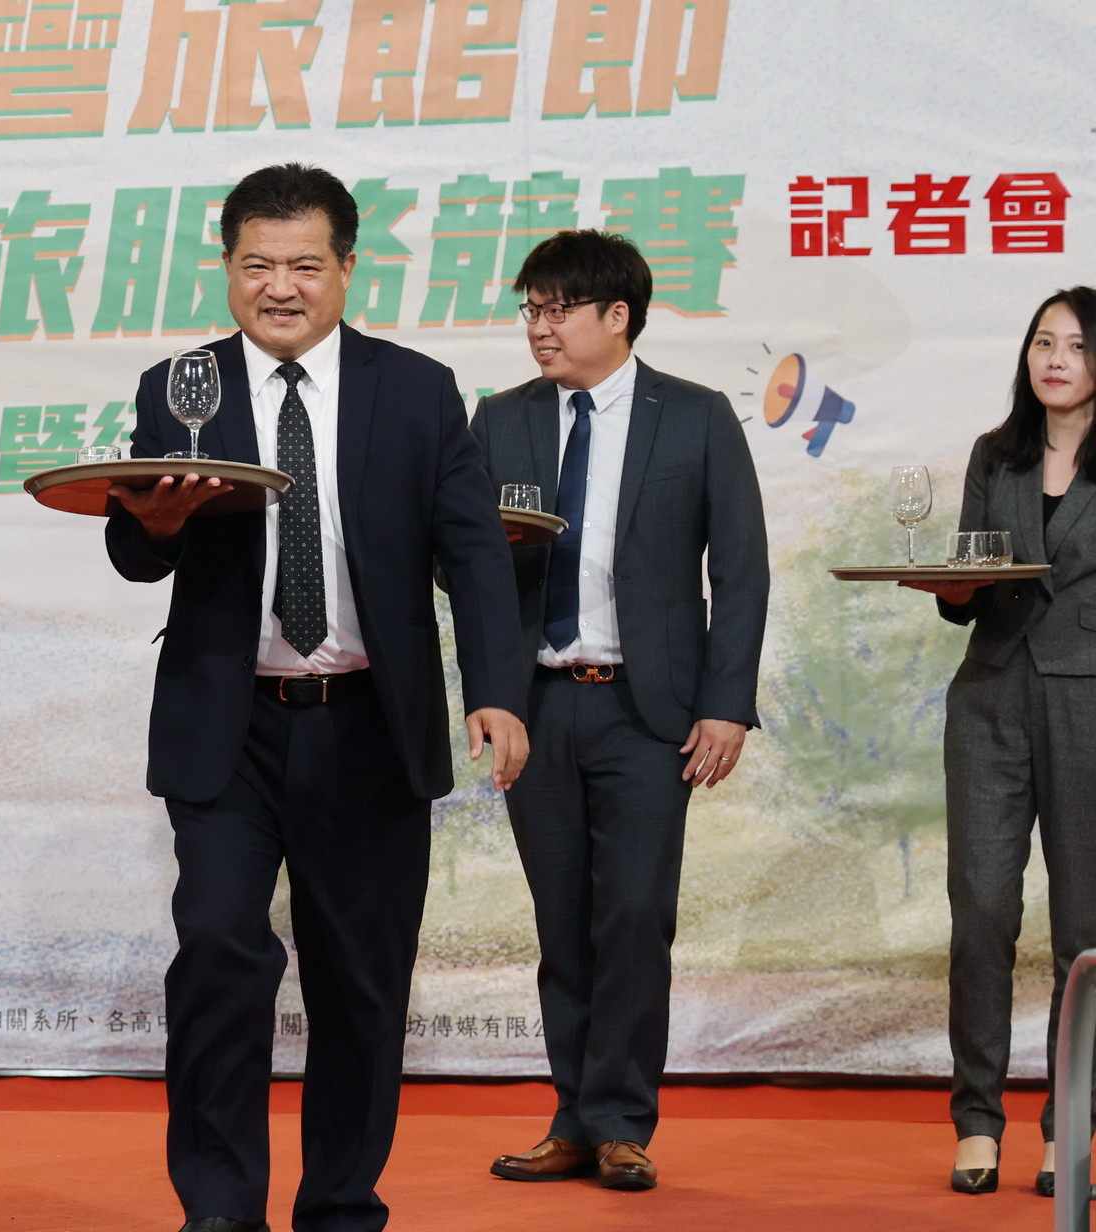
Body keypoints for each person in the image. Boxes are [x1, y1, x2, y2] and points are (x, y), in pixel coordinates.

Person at [104, 162, 530, 1232]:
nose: (279, 287)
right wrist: (153, 526)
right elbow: (135, 547)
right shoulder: (182, 385)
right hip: (228, 725)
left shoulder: (415, 389)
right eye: (256, 264)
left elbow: (473, 552)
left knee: (360, 980)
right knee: (217, 947)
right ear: (226, 268)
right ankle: (219, 1207)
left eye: (303, 264)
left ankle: (340, 1205)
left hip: (368, 725)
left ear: (345, 267)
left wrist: (496, 690)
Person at [470, 230, 767, 1192]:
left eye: (558, 310)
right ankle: (571, 1119)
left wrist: (725, 705)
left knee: (634, 917)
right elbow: (460, 568)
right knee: (561, 922)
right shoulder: (500, 419)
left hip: (647, 712)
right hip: (537, 706)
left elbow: (741, 571)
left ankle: (621, 1122)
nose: (540, 328)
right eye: (531, 310)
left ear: (617, 316)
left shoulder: (695, 416)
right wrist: (488, 688)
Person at [901, 286, 1096, 1198]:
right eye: (1042, 342)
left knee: (1083, 932)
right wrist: (949, 588)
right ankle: (977, 1121)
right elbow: (969, 583)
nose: (1055, 359)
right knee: (980, 915)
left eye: (1077, 345)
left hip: (1088, 699)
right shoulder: (996, 453)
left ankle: (1070, 1128)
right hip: (987, 698)